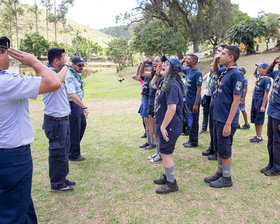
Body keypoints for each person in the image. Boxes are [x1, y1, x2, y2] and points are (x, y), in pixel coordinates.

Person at [0, 37, 68, 223]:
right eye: (6, 51)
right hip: (11, 155)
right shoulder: (6, 82)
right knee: (12, 211)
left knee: (20, 201)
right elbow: (53, 82)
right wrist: (33, 61)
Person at [204, 45, 243, 188]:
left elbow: (236, 100)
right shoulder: (224, 71)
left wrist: (228, 123)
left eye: (224, 54)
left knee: (225, 149)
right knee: (220, 147)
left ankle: (227, 178)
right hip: (218, 116)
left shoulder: (236, 74)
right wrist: (216, 60)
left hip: (227, 119)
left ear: (231, 58)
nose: (221, 56)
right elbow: (214, 70)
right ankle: (220, 173)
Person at [42, 48, 75, 192]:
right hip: (55, 121)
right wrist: (67, 66)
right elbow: (58, 82)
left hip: (62, 120)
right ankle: (57, 183)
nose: (67, 61)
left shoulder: (57, 74)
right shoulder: (50, 75)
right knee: (57, 152)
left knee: (63, 151)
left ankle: (62, 177)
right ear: (56, 61)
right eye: (64, 59)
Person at [153, 56, 185, 194]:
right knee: (164, 152)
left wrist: (163, 126)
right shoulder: (165, 81)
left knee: (166, 154)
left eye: (166, 64)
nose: (162, 65)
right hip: (164, 123)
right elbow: (152, 85)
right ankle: (167, 176)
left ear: (173, 69)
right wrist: (158, 72)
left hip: (170, 125)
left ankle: (172, 184)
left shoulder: (172, 85)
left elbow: (172, 109)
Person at [65, 56, 88, 161]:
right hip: (72, 104)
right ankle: (74, 154)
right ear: (72, 64)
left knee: (82, 124)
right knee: (75, 129)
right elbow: (72, 94)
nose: (81, 67)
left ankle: (71, 149)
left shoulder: (76, 74)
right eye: (79, 65)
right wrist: (84, 106)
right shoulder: (68, 74)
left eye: (83, 65)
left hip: (78, 103)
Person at [261, 55, 280, 176]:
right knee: (271, 140)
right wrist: (273, 62)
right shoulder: (277, 73)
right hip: (272, 112)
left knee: (278, 142)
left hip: (279, 115)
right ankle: (271, 163)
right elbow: (267, 73)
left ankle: (277, 167)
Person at [182, 54, 203, 148]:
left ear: (194, 61)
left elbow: (199, 89)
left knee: (194, 121)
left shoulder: (197, 73)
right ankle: (190, 139)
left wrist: (196, 104)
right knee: (189, 120)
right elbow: (178, 69)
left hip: (194, 102)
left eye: (189, 59)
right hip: (188, 100)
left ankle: (194, 141)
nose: (187, 60)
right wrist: (183, 61)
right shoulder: (187, 70)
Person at [250, 63, 271, 143]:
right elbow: (254, 74)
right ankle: (257, 135)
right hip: (255, 99)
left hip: (260, 100)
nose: (259, 69)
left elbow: (266, 92)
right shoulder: (260, 76)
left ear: (265, 69)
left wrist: (263, 106)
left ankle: (259, 137)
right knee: (255, 117)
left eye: (260, 68)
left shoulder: (267, 79)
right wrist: (257, 67)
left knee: (259, 118)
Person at [199, 69, 212, 134]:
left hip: (212, 97)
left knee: (212, 113)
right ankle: (204, 128)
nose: (211, 67)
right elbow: (202, 80)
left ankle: (212, 128)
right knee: (205, 112)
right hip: (206, 96)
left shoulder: (217, 75)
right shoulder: (208, 74)